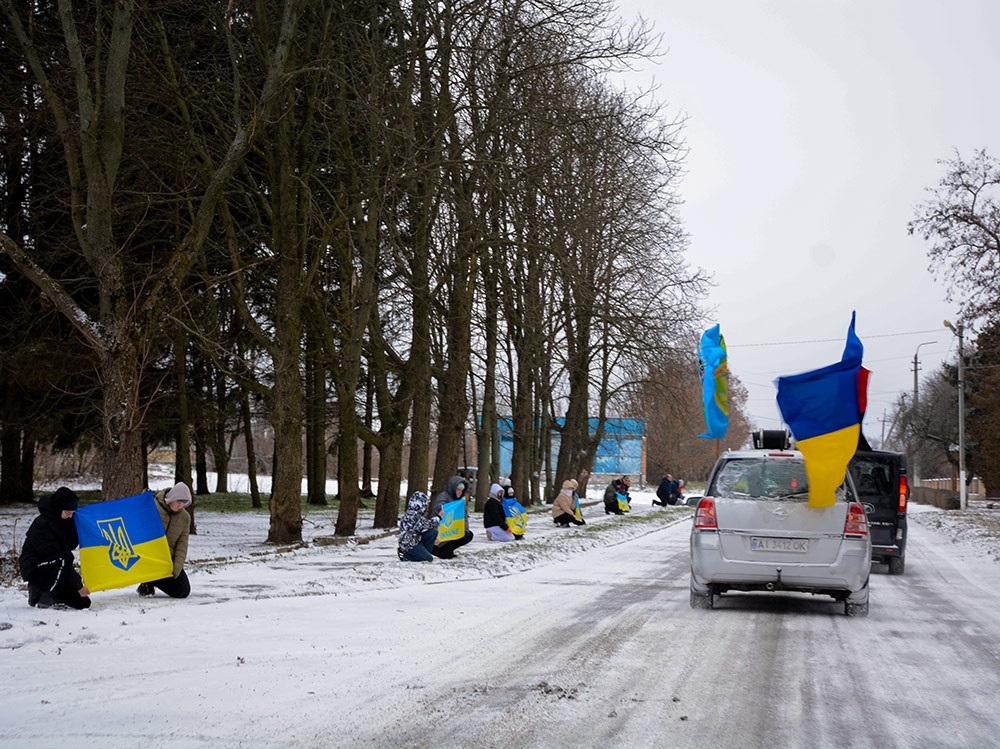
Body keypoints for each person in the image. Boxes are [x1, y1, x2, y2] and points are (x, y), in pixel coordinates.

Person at [19, 486, 91, 610]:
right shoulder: (41, 524)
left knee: (83, 603)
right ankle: (41, 595)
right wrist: (78, 585)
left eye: (72, 513)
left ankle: (56, 594)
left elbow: (70, 545)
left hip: (56, 567)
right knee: (64, 558)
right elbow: (58, 555)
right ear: (59, 508)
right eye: (68, 512)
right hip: (35, 568)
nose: (70, 516)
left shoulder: (65, 522)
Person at [138, 482, 192, 598]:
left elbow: (182, 544)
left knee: (183, 591)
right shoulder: (152, 507)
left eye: (183, 504)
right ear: (172, 498)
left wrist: (176, 569)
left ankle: (152, 580)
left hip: (167, 560)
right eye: (178, 502)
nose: (180, 506)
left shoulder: (185, 518)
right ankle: (147, 579)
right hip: (148, 557)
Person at [429, 475, 475, 559]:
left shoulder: (460, 501)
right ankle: (432, 548)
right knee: (447, 555)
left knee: (468, 535)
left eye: (461, 490)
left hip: (453, 530)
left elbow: (464, 517)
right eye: (458, 490)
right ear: (453, 488)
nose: (459, 492)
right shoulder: (443, 497)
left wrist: (465, 529)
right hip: (441, 531)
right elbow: (439, 509)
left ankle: (447, 548)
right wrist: (441, 508)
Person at [397, 491, 442, 561]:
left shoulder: (416, 513)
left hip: (416, 540)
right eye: (425, 505)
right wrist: (439, 517)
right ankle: (406, 556)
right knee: (429, 559)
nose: (426, 507)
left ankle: (424, 554)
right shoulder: (412, 515)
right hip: (409, 545)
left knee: (433, 532)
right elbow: (426, 525)